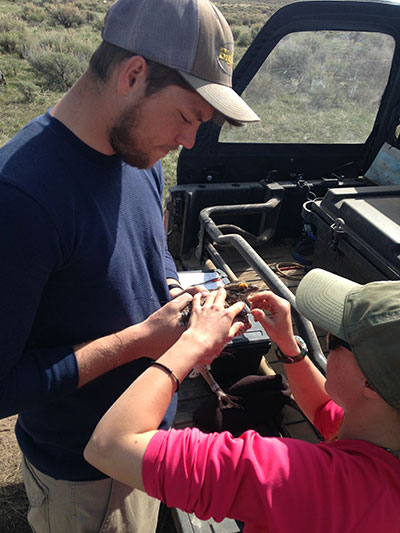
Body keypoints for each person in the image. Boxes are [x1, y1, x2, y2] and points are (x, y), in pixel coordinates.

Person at [0, 0, 259, 531]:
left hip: (145, 440)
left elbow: (148, 255)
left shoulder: (136, 155)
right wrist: (141, 341)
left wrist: (181, 306)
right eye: (188, 116)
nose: (188, 140)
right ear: (133, 74)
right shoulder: (21, 200)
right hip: (84, 471)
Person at [84, 269, 400, 532]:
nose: (327, 337)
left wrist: (193, 342)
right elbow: (323, 412)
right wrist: (289, 347)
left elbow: (110, 445)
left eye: (337, 338)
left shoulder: (293, 475)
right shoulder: (382, 429)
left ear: (370, 383)